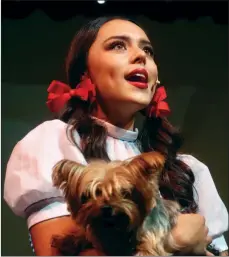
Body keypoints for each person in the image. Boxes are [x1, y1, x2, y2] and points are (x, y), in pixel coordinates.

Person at [4, 16, 228, 256]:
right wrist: (172, 241)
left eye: (148, 50)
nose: (140, 55)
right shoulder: (54, 142)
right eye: (118, 45)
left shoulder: (188, 169)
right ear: (84, 71)